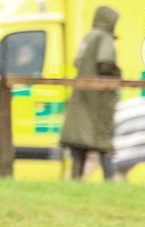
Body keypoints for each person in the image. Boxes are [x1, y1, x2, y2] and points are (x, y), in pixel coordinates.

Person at [60, 5, 120, 180]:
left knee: (79, 145)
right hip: (97, 101)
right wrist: (115, 74)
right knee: (103, 143)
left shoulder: (88, 36)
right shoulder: (104, 37)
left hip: (81, 97)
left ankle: (75, 181)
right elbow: (105, 61)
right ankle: (109, 182)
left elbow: (77, 62)